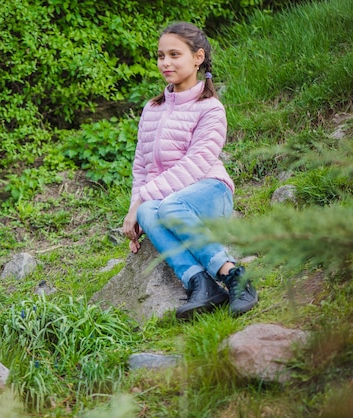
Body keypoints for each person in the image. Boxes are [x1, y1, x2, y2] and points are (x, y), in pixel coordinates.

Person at [122, 22, 258, 319]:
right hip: (170, 199)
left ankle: (233, 274)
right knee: (148, 213)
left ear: (198, 57)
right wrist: (136, 208)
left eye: (174, 54)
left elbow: (194, 166)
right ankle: (200, 284)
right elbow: (141, 166)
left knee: (167, 206)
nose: (165, 63)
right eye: (160, 56)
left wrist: (142, 198)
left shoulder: (210, 108)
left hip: (208, 190)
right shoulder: (152, 108)